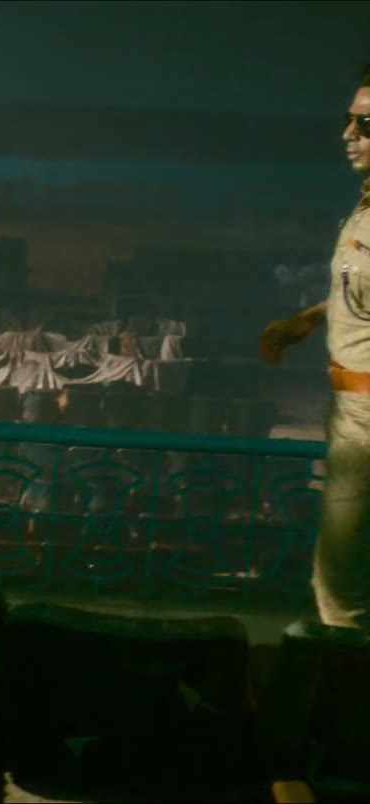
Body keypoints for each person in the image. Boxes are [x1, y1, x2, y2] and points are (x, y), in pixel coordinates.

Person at [257, 63, 370, 629]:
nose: (348, 135)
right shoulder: (365, 210)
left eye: (365, 124)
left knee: (341, 586)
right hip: (353, 409)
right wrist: (304, 323)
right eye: (350, 120)